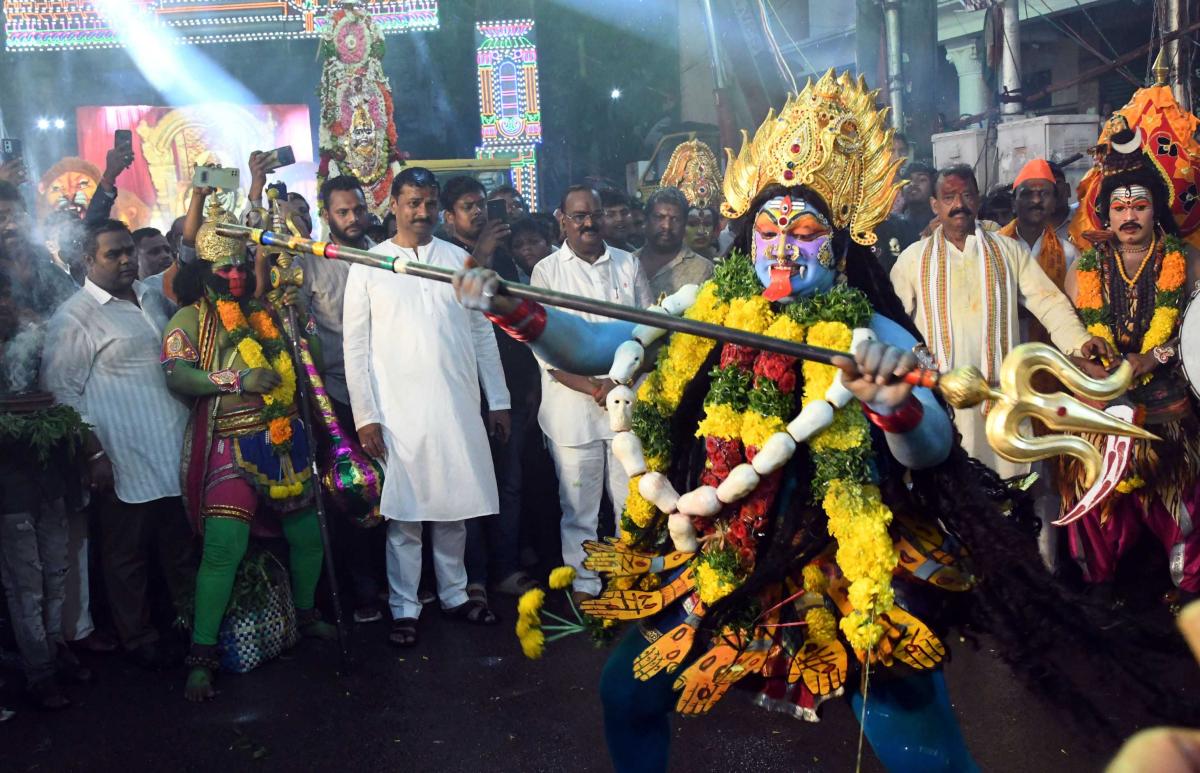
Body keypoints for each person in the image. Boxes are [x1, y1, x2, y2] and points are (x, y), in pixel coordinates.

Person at [454, 70, 1184, 772]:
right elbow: (594, 345)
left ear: (835, 249)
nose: (779, 244)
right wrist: (509, 308)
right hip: (722, 554)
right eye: (767, 227)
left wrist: (892, 404)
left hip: (840, 565)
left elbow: (930, 445)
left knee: (917, 744)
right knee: (625, 690)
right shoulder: (706, 313)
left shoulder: (870, 330)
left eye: (801, 231)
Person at [164, 199, 335, 701]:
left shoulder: (267, 312)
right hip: (229, 443)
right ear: (206, 271)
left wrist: (300, 324)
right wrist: (235, 377)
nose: (235, 275)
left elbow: (313, 365)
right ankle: (202, 656)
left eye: (240, 266)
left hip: (285, 438)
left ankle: (306, 615)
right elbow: (176, 373)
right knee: (223, 550)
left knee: (309, 536)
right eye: (224, 267)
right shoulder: (189, 318)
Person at [343, 167, 511, 646]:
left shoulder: (458, 259)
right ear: (393, 204)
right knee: (406, 514)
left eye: (429, 203)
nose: (422, 212)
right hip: (397, 411)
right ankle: (404, 606)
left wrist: (497, 400)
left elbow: (482, 333)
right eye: (413, 202)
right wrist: (366, 416)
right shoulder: (368, 265)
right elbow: (354, 348)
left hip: (456, 403)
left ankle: (456, 595)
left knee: (454, 506)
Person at [890, 164, 1113, 477]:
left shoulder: (1009, 251)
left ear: (977, 200)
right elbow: (894, 324)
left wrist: (1080, 343)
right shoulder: (913, 259)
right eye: (949, 197)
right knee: (951, 494)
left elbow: (1049, 304)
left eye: (967, 195)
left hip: (1002, 399)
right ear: (935, 205)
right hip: (942, 401)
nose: (959, 205)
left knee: (1013, 491)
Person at [42, 218, 194, 671]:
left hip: (173, 447)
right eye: (114, 253)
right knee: (127, 557)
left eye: (129, 250)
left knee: (181, 547)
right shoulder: (75, 316)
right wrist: (93, 454)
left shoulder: (151, 295)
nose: (127, 259)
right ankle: (138, 637)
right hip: (121, 454)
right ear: (87, 260)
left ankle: (188, 624)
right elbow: (61, 395)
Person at [1060, 125, 1200, 603]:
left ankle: (1190, 586)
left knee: (1181, 503)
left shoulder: (1188, 260)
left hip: (1166, 408)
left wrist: (1153, 356)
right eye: (1118, 207)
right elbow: (1073, 331)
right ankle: (1098, 586)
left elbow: (1194, 332)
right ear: (1106, 214)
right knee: (1092, 496)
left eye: (1138, 206)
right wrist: (1087, 352)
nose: (1129, 216)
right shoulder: (1086, 267)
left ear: (1155, 209)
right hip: (1104, 405)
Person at [531, 185, 652, 602]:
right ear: (562, 220)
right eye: (578, 216)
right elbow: (545, 348)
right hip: (572, 409)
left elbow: (649, 332)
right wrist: (592, 386)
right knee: (579, 507)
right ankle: (583, 584)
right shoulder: (546, 271)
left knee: (628, 503)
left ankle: (625, 581)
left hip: (626, 403)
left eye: (595, 214)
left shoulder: (628, 264)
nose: (588, 223)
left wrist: (618, 384)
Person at [0, 180, 83, 710]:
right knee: (23, 569)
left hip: (47, 436)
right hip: (6, 453)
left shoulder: (43, 268)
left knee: (56, 557)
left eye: (13, 215)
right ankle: (36, 668)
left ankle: (55, 647)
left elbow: (74, 312)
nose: (8, 225)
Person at [440, 175, 538, 599]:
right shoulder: (443, 257)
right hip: (464, 386)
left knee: (509, 482)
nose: (479, 212)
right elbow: (457, 307)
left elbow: (522, 315)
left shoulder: (505, 256)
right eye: (468, 206)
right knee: (470, 484)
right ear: (449, 217)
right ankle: (472, 577)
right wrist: (479, 254)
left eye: (482, 204)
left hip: (510, 385)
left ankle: (505, 567)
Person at [306, 174, 386, 624]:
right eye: (343, 212)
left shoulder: (385, 256)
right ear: (327, 215)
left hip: (389, 389)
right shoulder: (312, 262)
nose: (353, 218)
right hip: (337, 394)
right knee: (351, 492)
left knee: (396, 488)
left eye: (358, 209)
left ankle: (403, 582)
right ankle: (364, 591)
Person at [633, 186, 713, 299]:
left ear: (684, 223)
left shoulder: (702, 269)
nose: (667, 226)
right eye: (660, 217)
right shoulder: (627, 262)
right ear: (646, 220)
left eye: (675, 219)